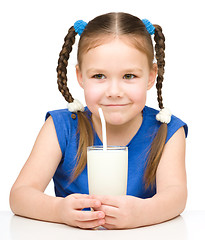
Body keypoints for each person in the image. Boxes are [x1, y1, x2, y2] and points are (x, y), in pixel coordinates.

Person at [10, 12, 188, 230]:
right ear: (80, 76)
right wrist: (58, 210)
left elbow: (176, 195)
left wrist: (141, 213)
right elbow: (20, 195)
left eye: (129, 76)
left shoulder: (167, 131)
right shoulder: (61, 127)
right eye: (99, 76)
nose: (114, 91)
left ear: (151, 76)